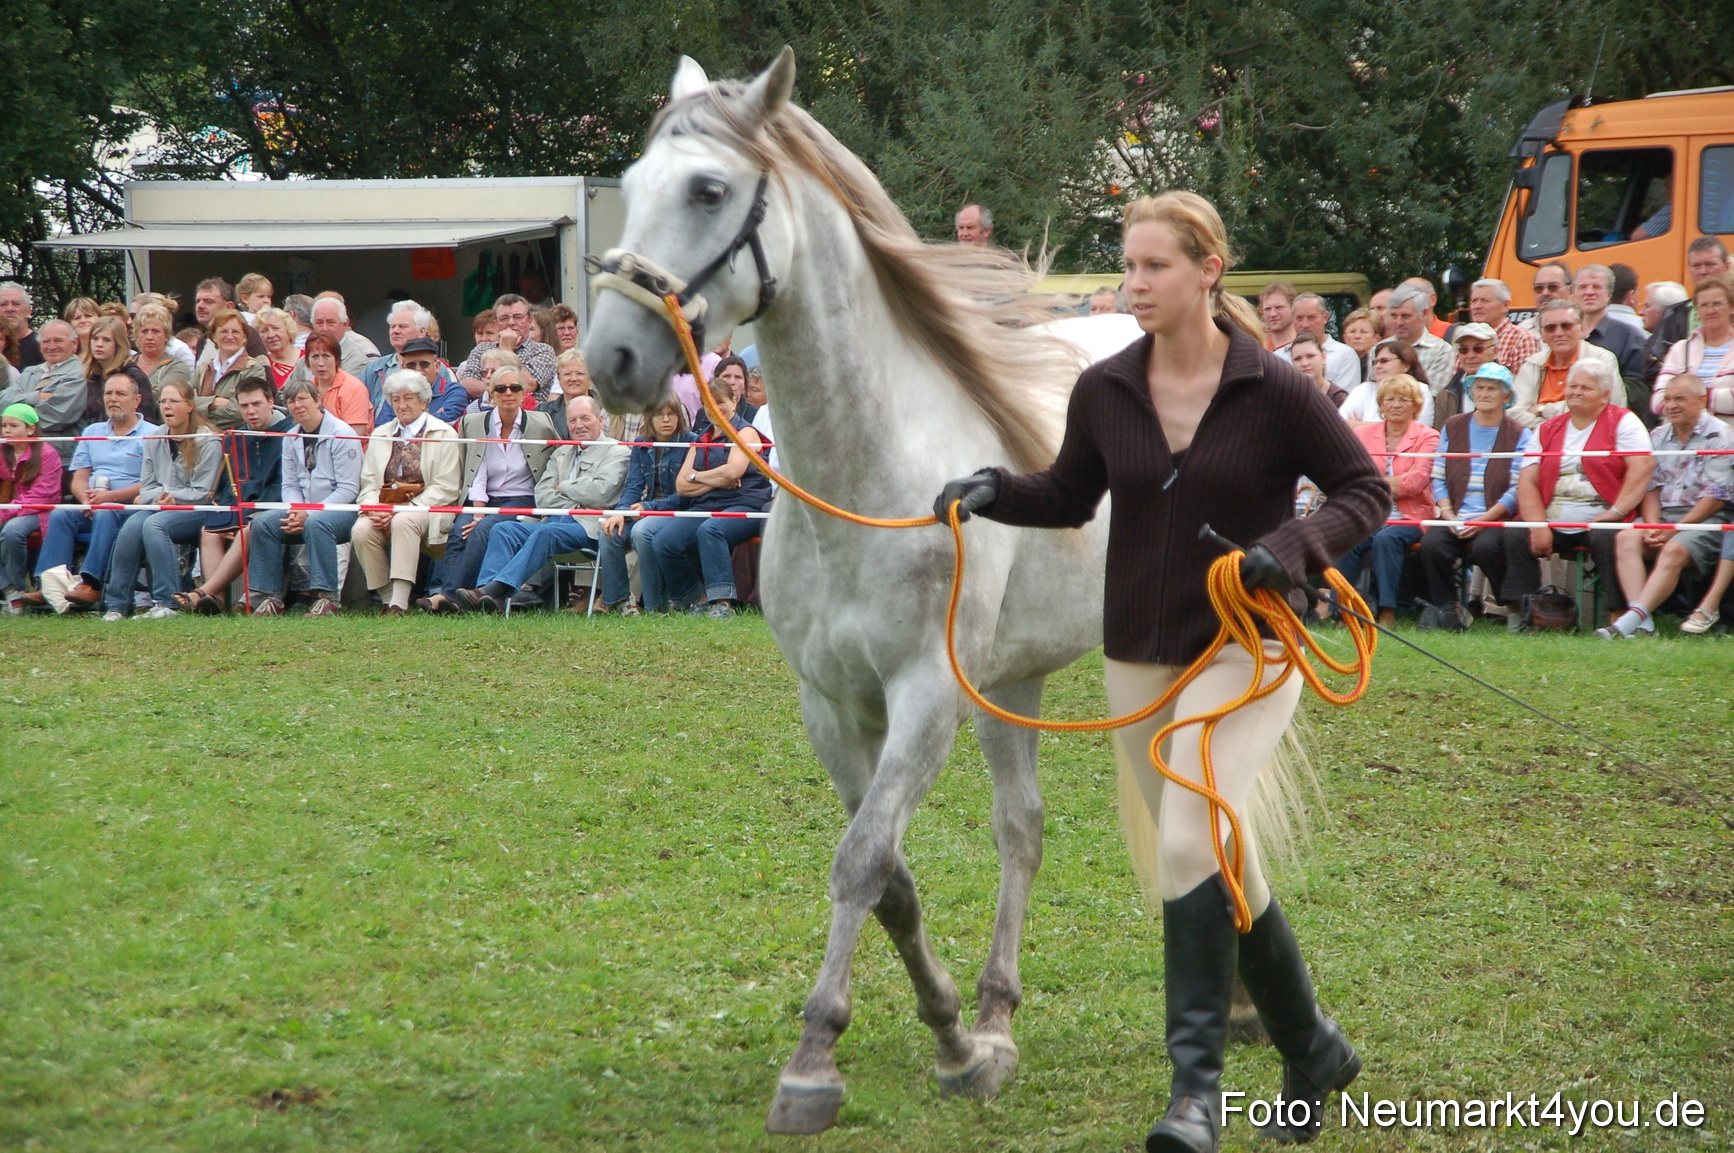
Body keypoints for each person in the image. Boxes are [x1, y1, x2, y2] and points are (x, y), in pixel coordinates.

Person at [935, 191, 1385, 1153]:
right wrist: (991, 491)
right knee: (1228, 857)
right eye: (1128, 266)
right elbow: (1067, 494)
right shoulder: (1106, 389)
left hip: (1248, 648)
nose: (1133, 284)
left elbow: (1365, 488)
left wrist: (1297, 544)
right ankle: (1315, 1049)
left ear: (1208, 270)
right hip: (1138, 655)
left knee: (1187, 834)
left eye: (1154, 267)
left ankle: (1197, 1094)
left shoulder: (1276, 387)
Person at [1502, 359, 1655, 625]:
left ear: (1606, 395)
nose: (1576, 392)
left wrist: (1615, 512)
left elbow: (1642, 467)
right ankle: (1526, 614)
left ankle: (1618, 616)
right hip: (1553, 515)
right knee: (1516, 533)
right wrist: (1538, 525)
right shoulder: (1546, 428)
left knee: (1609, 537)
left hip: (1604, 515)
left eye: (1586, 387)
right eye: (1572, 386)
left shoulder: (1624, 422)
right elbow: (1527, 481)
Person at [454, 394, 631, 611]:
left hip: (588, 527)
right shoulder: (561, 452)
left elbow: (601, 493)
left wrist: (563, 486)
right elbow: (543, 495)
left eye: (585, 418)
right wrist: (575, 503)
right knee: (503, 529)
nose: (579, 426)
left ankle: (492, 590)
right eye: (572, 420)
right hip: (552, 521)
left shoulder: (618, 452)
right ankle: (489, 598)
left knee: (545, 534)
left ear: (601, 420)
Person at [1598, 374, 1733, 638]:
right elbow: (1651, 486)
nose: (1671, 405)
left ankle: (1628, 623)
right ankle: (1644, 625)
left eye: (1679, 398)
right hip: (1663, 518)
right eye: (1667, 398)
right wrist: (1652, 524)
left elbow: (1716, 496)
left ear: (1702, 400)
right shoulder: (1657, 435)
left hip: (1707, 520)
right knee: (1627, 538)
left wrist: (1675, 529)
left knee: (1673, 550)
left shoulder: (1722, 436)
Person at [419, 364, 557, 606]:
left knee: (484, 529)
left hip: (522, 498)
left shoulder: (541, 423)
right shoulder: (473, 423)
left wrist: (482, 521)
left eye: (515, 388)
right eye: (501, 389)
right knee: (459, 532)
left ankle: (448, 596)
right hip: (484, 496)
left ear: (523, 393)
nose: (508, 394)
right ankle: (454, 595)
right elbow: (476, 469)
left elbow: (556, 458)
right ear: (492, 394)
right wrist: (479, 512)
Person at [24, 374, 160, 610]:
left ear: (136, 400)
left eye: (120, 394)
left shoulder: (153, 434)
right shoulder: (92, 431)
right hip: (94, 505)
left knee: (107, 512)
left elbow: (151, 482)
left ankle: (91, 583)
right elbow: (79, 478)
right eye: (108, 393)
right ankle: (47, 586)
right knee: (61, 514)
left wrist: (108, 499)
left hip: (131, 511)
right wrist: (86, 499)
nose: (113, 399)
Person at [101, 380, 226, 620]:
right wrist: (160, 496)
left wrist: (173, 497)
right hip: (161, 505)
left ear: (190, 405)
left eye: (174, 401)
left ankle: (168, 602)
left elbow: (203, 492)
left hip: (200, 509)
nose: (167, 407)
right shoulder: (154, 437)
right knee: (132, 525)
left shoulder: (208, 440)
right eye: (163, 401)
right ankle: (117, 605)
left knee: (154, 525)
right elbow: (146, 486)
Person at [651, 374, 772, 618]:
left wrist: (698, 476)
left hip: (744, 505)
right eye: (709, 403)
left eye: (721, 403)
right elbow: (682, 486)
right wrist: (712, 480)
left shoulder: (746, 433)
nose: (715, 409)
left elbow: (733, 472)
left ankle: (722, 603)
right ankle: (695, 599)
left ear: (734, 401)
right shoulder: (701, 439)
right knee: (664, 541)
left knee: (711, 530)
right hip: (706, 505)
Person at [1419, 363, 1532, 622]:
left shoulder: (1519, 433)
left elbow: (1517, 488)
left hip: (1495, 516)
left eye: (1492, 388)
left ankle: (1512, 605)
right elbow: (1437, 475)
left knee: (1485, 547)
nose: (1484, 393)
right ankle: (1447, 610)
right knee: (1431, 545)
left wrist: (1484, 520)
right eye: (1479, 387)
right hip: (1455, 513)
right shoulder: (1452, 425)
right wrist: (1446, 512)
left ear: (1506, 396)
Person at [246, 379, 364, 617]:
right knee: (262, 523)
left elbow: (349, 490)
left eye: (302, 399)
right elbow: (289, 484)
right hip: (303, 511)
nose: (297, 405)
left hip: (343, 512)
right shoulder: (291, 436)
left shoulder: (342, 433)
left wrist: (309, 513)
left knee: (316, 523)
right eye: (291, 401)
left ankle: (327, 598)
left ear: (317, 401)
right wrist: (296, 511)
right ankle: (270, 597)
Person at [349, 370, 463, 614]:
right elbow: (369, 482)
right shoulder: (380, 434)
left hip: (426, 509)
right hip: (385, 508)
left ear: (424, 401)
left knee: (404, 521)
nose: (401, 405)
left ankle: (399, 603)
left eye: (408, 398)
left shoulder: (445, 434)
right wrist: (374, 509)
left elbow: (447, 487)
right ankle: (387, 597)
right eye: (396, 399)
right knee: (361, 529)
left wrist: (402, 509)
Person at [1335, 374, 1440, 625]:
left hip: (1411, 515)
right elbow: (1353, 477)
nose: (1395, 404)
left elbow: (1415, 482)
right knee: (1346, 537)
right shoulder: (1363, 435)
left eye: (1403, 399)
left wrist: (1373, 484)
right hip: (1371, 513)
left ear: (1416, 405)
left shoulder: (1428, 436)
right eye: (1389, 399)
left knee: (1386, 538)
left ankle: (1387, 610)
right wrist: (1385, 484)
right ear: (1381, 404)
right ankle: (1343, 610)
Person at [597, 397, 695, 614]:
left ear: (680, 416)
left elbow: (685, 496)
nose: (666, 420)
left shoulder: (691, 442)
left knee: (642, 532)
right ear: (649, 418)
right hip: (644, 509)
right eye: (660, 414)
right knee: (609, 531)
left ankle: (653, 607)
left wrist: (648, 507)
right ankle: (620, 600)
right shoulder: (641, 444)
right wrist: (621, 513)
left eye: (672, 414)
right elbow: (632, 487)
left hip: (676, 511)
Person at [1510, 299, 1622, 429]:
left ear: (1582, 329)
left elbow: (1608, 408)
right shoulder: (1533, 363)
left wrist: (1543, 409)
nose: (1559, 333)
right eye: (1550, 328)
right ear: (1542, 335)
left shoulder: (1602, 360)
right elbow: (1514, 414)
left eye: (1566, 326)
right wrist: (1552, 430)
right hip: (1540, 441)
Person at [0, 404, 63, 611]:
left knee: (12, 530)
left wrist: (5, 511)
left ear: (30, 429)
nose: (6, 430)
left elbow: (42, 495)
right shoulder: (3, 450)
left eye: (13, 425)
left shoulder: (47, 453)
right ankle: (9, 589)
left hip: (40, 510)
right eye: (3, 425)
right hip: (10, 507)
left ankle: (18, 588)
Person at [0, 320, 86, 465]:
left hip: (59, 458)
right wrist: (37, 397)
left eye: (58, 340)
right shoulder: (30, 372)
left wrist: (18, 403)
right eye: (46, 341)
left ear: (75, 343)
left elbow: (57, 416)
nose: (51, 346)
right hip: (18, 456)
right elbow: (2, 402)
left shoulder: (81, 374)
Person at [1653, 273, 1734, 420]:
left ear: (1731, 307)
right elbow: (1658, 401)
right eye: (1704, 305)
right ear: (1697, 312)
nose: (1710, 311)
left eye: (1717, 303)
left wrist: (1691, 397)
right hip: (1683, 440)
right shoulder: (1681, 349)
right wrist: (1713, 398)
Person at [1574, 264, 1649, 418]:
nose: (1589, 292)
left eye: (1597, 287)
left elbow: (1639, 389)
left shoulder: (1628, 336)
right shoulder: (1563, 333)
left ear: (1609, 294)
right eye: (1582, 287)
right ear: (1573, 293)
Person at [454, 294, 556, 399]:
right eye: (504, 318)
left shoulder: (543, 351)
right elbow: (467, 385)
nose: (511, 323)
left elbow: (528, 385)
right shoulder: (482, 349)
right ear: (496, 323)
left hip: (528, 413)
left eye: (518, 317)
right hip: (485, 413)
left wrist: (507, 350)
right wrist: (508, 390)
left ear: (529, 321)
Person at [361, 300, 448, 420]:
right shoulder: (375, 368)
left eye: (403, 326)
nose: (395, 331)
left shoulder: (438, 369)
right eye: (392, 326)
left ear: (422, 332)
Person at [194, 308, 270, 431]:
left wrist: (200, 408)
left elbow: (239, 412)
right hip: (203, 439)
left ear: (245, 337)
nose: (230, 336)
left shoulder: (253, 368)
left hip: (237, 440)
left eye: (235, 332)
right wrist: (214, 402)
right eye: (224, 331)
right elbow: (185, 403)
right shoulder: (203, 368)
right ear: (213, 336)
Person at [1340, 339, 1432, 427]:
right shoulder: (1363, 389)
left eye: (1384, 361)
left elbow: (1417, 430)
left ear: (1405, 365)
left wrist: (1358, 426)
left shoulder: (1420, 390)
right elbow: (1340, 424)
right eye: (1375, 362)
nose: (1377, 366)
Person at [300, 332, 373, 437]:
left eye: (326, 356)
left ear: (336, 359)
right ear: (307, 361)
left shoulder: (353, 387)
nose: (321, 363)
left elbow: (355, 436)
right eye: (315, 357)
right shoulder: (308, 387)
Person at [1385, 283, 1454, 388]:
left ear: (1425, 314)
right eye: (1394, 316)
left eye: (1406, 316)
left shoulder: (1442, 351)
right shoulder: (1379, 349)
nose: (1399, 322)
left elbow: (1431, 396)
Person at [1467, 277, 1541, 375]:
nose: (1477, 306)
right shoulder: (1465, 339)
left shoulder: (1522, 339)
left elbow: (1524, 385)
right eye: (1474, 301)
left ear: (1505, 305)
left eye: (1485, 301)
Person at [1288, 293, 1360, 393]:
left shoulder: (1345, 355)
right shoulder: (1278, 356)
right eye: (1299, 318)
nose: (1305, 324)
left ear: (1325, 317)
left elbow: (1345, 401)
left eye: (1311, 317)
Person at [1436, 322, 1499, 426]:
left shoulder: (1512, 387)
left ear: (1495, 352)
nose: (1470, 355)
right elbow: (1441, 436)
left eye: (1478, 349)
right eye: (1463, 350)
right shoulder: (1446, 394)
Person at [131, 303, 190, 405]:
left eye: (156, 331)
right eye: (144, 331)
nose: (149, 337)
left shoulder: (177, 367)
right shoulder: (125, 363)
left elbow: (160, 398)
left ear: (166, 335)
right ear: (136, 335)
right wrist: (149, 389)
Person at [310, 293, 380, 377]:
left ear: (345, 324)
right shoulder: (304, 359)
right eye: (319, 322)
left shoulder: (357, 361)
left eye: (331, 322)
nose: (324, 328)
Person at [1288, 333, 1345, 407]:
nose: (1304, 363)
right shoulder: (1288, 398)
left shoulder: (1339, 398)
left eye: (1310, 356)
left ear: (1324, 357)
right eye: (1297, 359)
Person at [254, 306, 302, 392]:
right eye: (264, 331)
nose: (271, 335)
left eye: (276, 328)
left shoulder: (307, 358)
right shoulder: (259, 366)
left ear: (288, 330)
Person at [1521, 261, 1574, 336]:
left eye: (1553, 287)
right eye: (1539, 288)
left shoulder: (1583, 329)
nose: (1545, 293)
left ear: (1570, 291)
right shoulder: (1522, 332)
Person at [0, 281, 41, 368]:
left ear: (28, 311)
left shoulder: (43, 346)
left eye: (16, 304)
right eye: (3, 304)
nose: (9, 309)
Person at [1257, 280, 1296, 355]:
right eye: (1267, 309)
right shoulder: (1259, 349)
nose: (1273, 314)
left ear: (1293, 308)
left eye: (1279, 308)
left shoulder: (1306, 346)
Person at [1340, 307, 1382, 376]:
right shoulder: (1341, 362)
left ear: (1376, 338)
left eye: (1364, 332)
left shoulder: (1378, 364)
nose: (1357, 336)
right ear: (1345, 338)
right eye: (1352, 331)